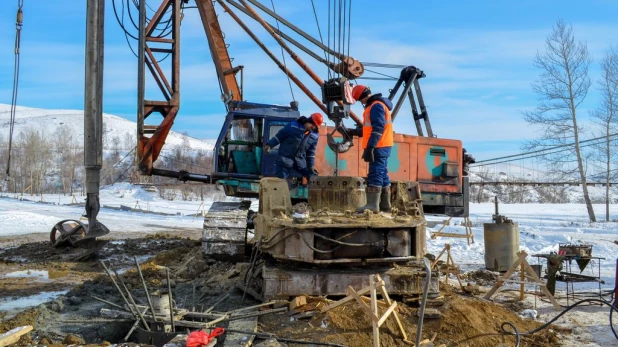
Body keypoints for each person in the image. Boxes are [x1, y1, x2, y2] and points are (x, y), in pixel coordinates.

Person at [351, 84, 394, 213]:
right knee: (383, 174)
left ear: (363, 96)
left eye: (360, 100)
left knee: (375, 173)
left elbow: (378, 128)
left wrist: (370, 147)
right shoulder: (376, 105)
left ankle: (372, 205)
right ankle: (385, 206)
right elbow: (370, 129)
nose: (361, 102)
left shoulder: (375, 106)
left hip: (379, 145)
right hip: (382, 144)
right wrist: (356, 131)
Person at [265, 113, 323, 180]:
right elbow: (280, 136)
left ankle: (313, 190)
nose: (313, 127)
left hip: (299, 161)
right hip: (285, 158)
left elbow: (311, 153)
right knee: (281, 180)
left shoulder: (314, 136)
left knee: (313, 176)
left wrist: (311, 166)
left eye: (315, 126)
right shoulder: (293, 126)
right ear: (309, 121)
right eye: (313, 124)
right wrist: (270, 145)